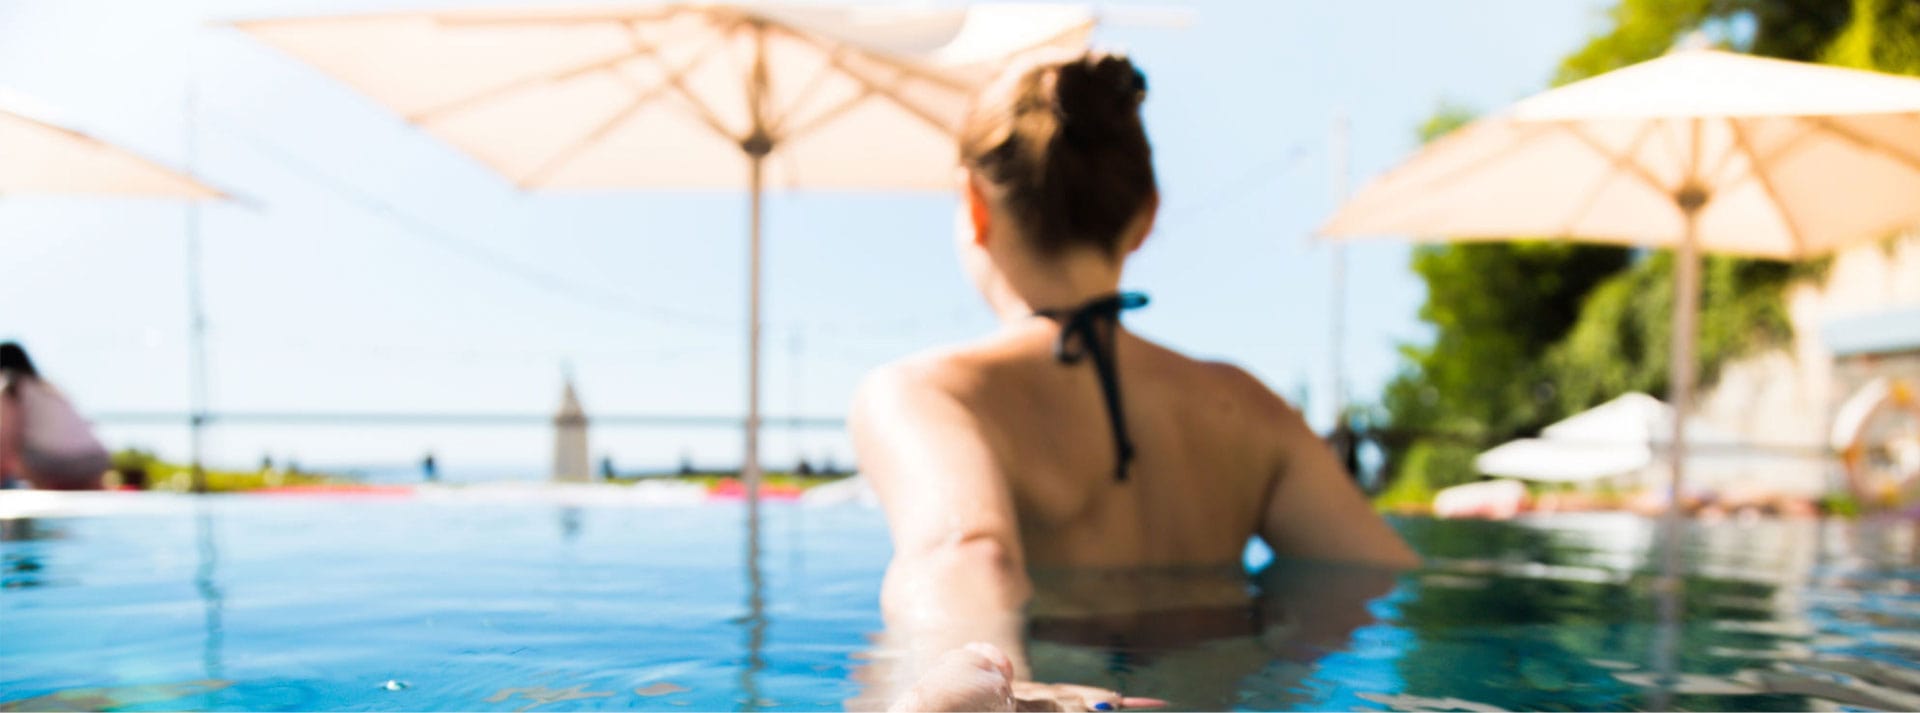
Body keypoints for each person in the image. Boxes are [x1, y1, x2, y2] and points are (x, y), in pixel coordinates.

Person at [850, 52, 1418, 711]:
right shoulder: (1248, 406)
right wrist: (1284, 672)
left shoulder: (928, 392)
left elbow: (967, 552)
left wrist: (998, 685)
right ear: (1147, 214)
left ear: (976, 206)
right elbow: (1376, 576)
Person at [0, 342, 109, 490]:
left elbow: (6, 438)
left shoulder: (10, 387)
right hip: (96, 459)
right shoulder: (48, 388)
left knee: (14, 454)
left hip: (52, 463)